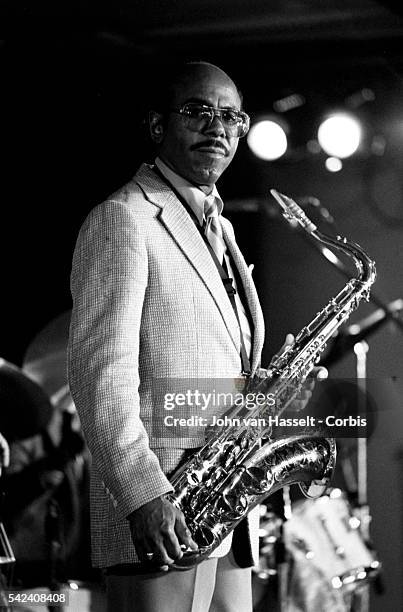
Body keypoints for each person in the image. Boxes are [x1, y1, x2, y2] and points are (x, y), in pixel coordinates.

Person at [67, 61, 318, 612]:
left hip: (224, 517)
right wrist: (143, 495)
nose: (218, 128)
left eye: (231, 117)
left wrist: (266, 396)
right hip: (163, 515)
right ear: (157, 126)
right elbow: (99, 377)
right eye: (198, 112)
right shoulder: (122, 219)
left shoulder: (220, 226)